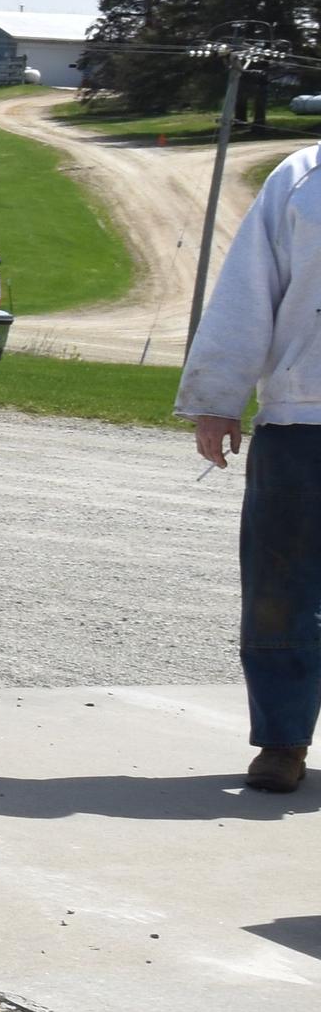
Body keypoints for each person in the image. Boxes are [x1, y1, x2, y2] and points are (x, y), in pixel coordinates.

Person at [180, 134, 319, 794]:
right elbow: (247, 290)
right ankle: (283, 741)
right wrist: (217, 397)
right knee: (278, 591)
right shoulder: (301, 178)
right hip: (302, 419)